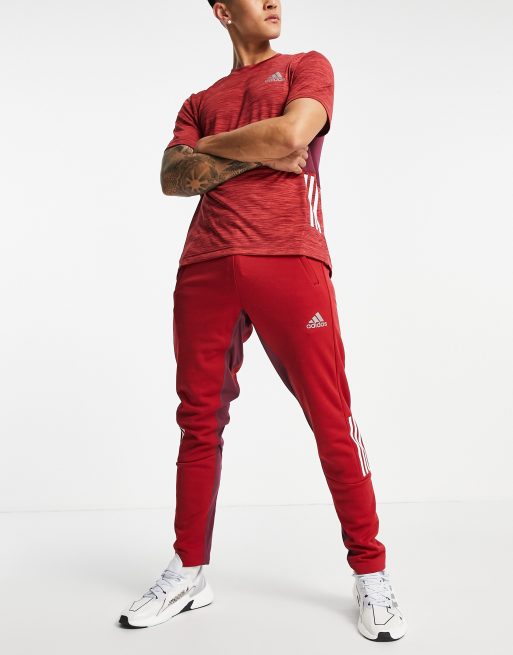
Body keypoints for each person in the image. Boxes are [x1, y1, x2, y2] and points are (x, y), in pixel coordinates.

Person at [119, 0, 407, 641]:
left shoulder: (307, 66)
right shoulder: (199, 100)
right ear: (222, 10)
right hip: (204, 265)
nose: (274, 0)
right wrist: (256, 148)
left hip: (290, 257)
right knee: (198, 419)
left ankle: (371, 572)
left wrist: (214, 150)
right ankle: (188, 571)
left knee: (330, 415)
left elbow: (290, 136)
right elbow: (173, 177)